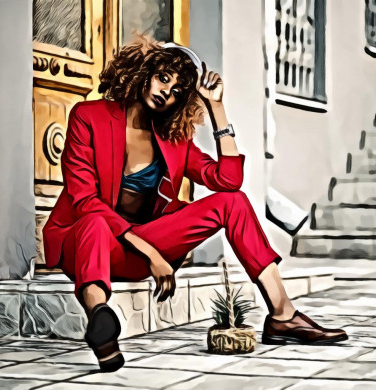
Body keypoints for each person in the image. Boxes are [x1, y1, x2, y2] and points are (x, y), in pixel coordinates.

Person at [42, 36, 347, 372]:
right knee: (96, 222)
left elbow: (228, 181)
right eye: (163, 78)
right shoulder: (89, 116)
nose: (166, 92)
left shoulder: (175, 140)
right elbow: (86, 201)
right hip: (88, 243)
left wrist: (217, 109)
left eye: (177, 90)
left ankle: (282, 314)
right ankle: (101, 323)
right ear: (146, 71)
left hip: (136, 249)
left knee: (234, 202)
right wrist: (153, 255)